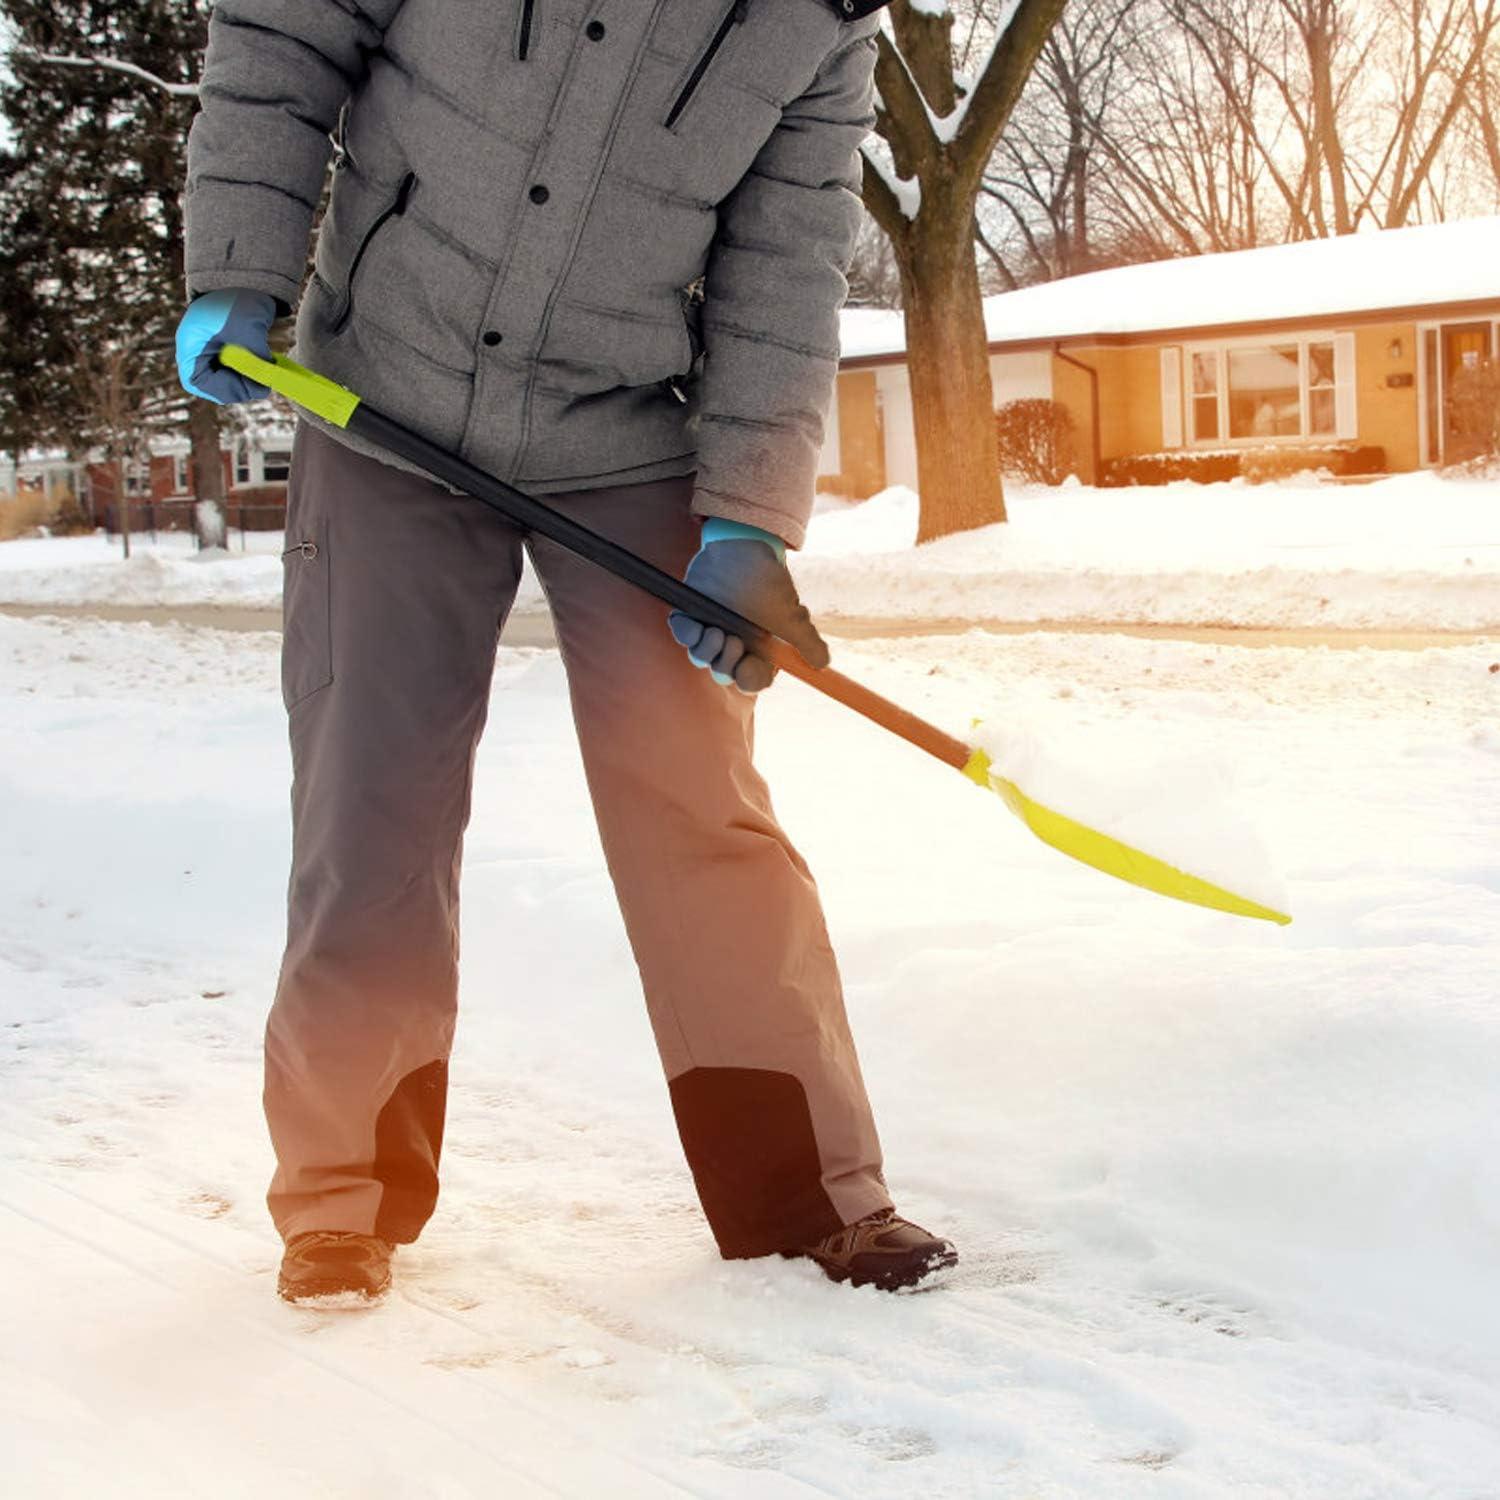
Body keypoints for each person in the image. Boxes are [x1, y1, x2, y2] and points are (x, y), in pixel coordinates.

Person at [176, 0, 956, 1305]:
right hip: (383, 404)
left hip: (628, 432)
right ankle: (342, 1196)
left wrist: (749, 519)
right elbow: (283, 37)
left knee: (698, 802)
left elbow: (785, 259)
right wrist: (239, 266)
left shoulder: (818, 19)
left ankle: (805, 1193)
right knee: (373, 805)